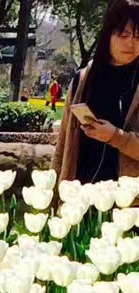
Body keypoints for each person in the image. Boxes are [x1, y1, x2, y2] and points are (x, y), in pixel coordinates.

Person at [54, 0, 139, 183]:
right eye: (123, 35)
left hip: (128, 204)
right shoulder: (83, 80)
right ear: (108, 32)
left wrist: (115, 137)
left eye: (138, 38)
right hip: (80, 196)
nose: (131, 44)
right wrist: (54, 196)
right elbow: (63, 145)